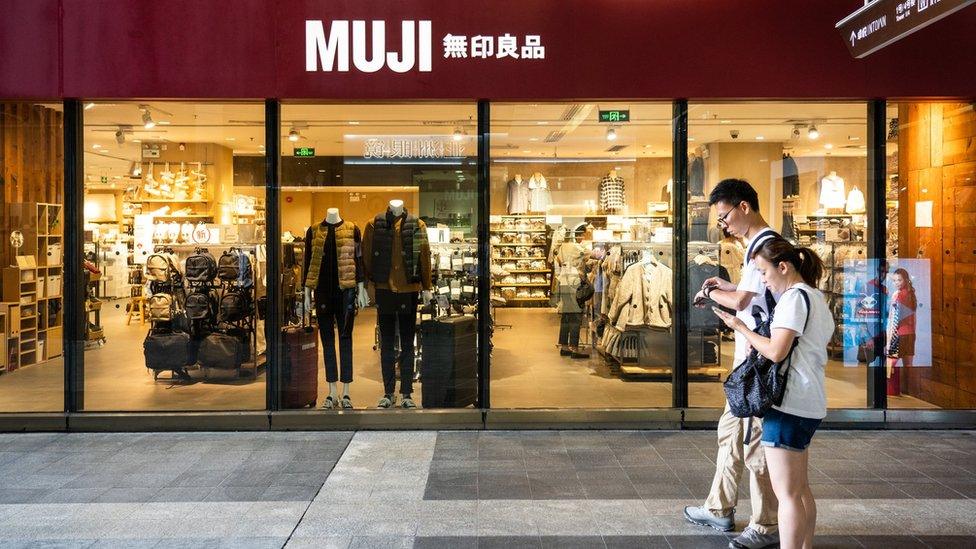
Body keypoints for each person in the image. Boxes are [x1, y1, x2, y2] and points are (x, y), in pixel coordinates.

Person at [713, 237, 833, 549]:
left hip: (789, 403)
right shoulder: (814, 296)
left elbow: (776, 351)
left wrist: (740, 327)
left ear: (783, 267)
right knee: (800, 488)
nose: (763, 280)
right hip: (810, 401)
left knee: (787, 494)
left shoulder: (793, 298)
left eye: (764, 273)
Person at [685, 178, 780, 549]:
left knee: (755, 442)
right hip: (747, 361)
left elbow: (743, 302)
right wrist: (719, 288)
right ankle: (719, 507)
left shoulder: (766, 247)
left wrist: (712, 292)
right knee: (730, 433)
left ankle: (766, 525)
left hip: (759, 360)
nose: (723, 225)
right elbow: (746, 295)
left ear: (744, 207)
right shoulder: (752, 246)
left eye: (725, 216)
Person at [886, 268, 917, 395]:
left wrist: (890, 335)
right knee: (908, 365)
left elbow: (896, 318)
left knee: (889, 363)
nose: (897, 283)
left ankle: (886, 390)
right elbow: (913, 318)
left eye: (899, 280)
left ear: (905, 280)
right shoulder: (911, 294)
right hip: (910, 334)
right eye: (895, 280)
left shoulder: (898, 295)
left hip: (898, 333)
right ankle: (909, 390)